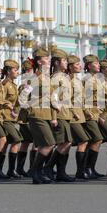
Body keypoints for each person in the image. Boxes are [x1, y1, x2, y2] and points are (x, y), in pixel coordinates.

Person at [44, 49, 75, 182]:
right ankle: (49, 167)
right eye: (64, 61)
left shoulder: (64, 77)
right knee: (64, 142)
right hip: (60, 113)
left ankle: (61, 171)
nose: (66, 63)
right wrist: (54, 117)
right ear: (56, 63)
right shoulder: (56, 78)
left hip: (66, 113)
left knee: (67, 143)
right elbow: (53, 98)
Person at [27, 48, 56, 184]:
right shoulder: (35, 78)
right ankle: (35, 171)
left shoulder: (46, 77)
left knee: (46, 144)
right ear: (39, 61)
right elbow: (24, 95)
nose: (49, 60)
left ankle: (37, 173)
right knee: (49, 143)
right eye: (46, 58)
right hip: (37, 114)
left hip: (46, 114)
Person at [67, 54, 91, 179]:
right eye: (76, 64)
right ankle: (80, 171)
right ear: (70, 67)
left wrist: (86, 112)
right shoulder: (68, 80)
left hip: (80, 114)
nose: (80, 66)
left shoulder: (77, 80)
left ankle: (81, 170)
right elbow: (65, 99)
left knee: (69, 143)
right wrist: (72, 111)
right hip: (72, 115)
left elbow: (81, 99)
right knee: (82, 140)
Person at [82, 54, 105, 179]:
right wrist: (86, 111)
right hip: (89, 112)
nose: (98, 65)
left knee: (94, 140)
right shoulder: (87, 79)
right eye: (96, 64)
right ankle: (86, 168)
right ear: (89, 66)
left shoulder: (96, 79)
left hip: (96, 111)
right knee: (97, 139)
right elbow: (82, 97)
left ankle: (90, 168)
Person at [1, 59, 24, 179]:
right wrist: (7, 104)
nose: (17, 73)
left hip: (12, 117)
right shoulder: (4, 84)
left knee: (5, 143)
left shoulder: (13, 85)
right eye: (15, 70)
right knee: (16, 140)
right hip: (5, 117)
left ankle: (7, 170)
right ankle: (7, 170)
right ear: (8, 71)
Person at [16, 59, 36, 177]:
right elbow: (22, 100)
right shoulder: (28, 83)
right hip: (28, 116)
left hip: (26, 117)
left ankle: (23, 168)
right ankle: (31, 168)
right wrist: (29, 107)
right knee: (34, 142)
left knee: (27, 142)